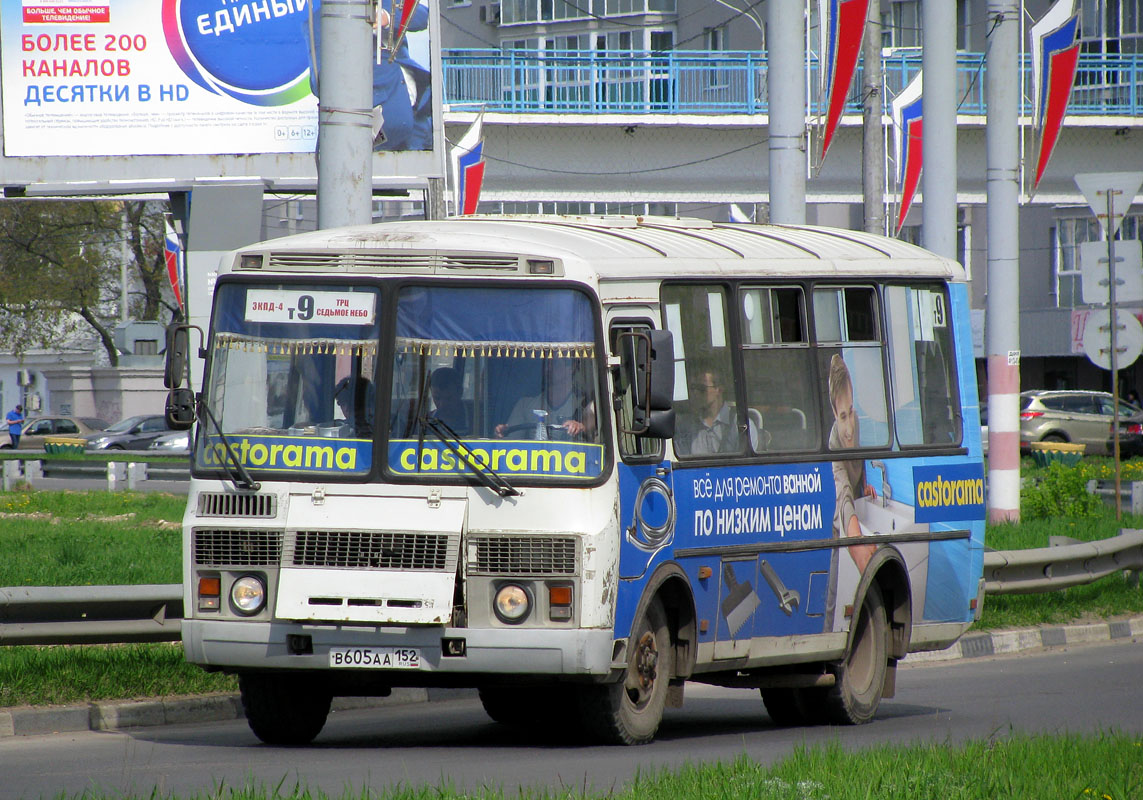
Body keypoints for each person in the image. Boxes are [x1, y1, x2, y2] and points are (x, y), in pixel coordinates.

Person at [306, 0, 432, 152]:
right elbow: (320, 81)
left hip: (419, 116)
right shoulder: (321, 20)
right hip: (382, 122)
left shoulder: (386, 3)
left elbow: (421, 15)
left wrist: (387, 17)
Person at [827, 354, 876, 572]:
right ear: (835, 414)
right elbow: (844, 490)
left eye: (851, 411)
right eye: (843, 417)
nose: (849, 430)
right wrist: (857, 542)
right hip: (844, 521)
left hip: (860, 509)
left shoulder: (861, 424)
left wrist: (866, 484)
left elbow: (865, 463)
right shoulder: (833, 442)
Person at [495, 359, 594, 441]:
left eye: (554, 363)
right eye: (546, 363)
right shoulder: (525, 405)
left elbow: (594, 438)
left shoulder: (584, 404)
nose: (548, 368)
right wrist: (502, 433)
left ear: (571, 367)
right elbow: (510, 444)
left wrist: (580, 427)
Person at [677, 367, 739, 455]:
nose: (695, 393)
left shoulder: (739, 425)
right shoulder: (685, 427)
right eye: (693, 388)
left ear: (719, 390)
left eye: (701, 389)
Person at [426, 367, 469, 434]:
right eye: (437, 398)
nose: (442, 404)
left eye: (448, 398)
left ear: (460, 392)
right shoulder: (424, 423)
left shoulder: (479, 421)